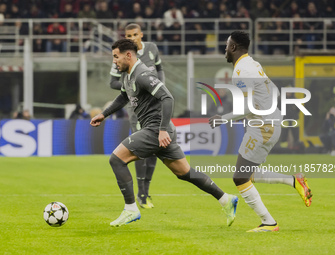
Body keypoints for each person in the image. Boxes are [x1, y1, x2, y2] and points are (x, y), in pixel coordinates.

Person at [90, 39, 238, 227]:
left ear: (128, 55)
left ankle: (131, 209)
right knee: (184, 173)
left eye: (116, 56)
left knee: (116, 159)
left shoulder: (143, 74)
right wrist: (103, 114)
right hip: (158, 131)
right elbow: (124, 97)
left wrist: (160, 130)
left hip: (155, 130)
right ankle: (226, 199)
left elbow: (167, 97)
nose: (114, 61)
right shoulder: (127, 76)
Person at [209, 31, 312, 232]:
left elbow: (249, 108)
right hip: (269, 122)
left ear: (233, 47)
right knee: (249, 173)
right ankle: (294, 180)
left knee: (240, 177)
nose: (224, 49)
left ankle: (269, 222)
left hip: (263, 126)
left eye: (226, 45)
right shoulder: (252, 64)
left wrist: (223, 118)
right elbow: (272, 90)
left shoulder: (241, 72)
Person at [109, 23, 165, 209]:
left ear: (141, 35)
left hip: (156, 106)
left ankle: (146, 191)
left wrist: (159, 85)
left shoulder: (152, 49)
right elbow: (112, 82)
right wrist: (134, 86)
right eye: (128, 35)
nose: (131, 38)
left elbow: (160, 69)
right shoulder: (122, 55)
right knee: (141, 149)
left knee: (156, 149)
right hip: (137, 110)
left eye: (134, 34)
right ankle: (141, 193)